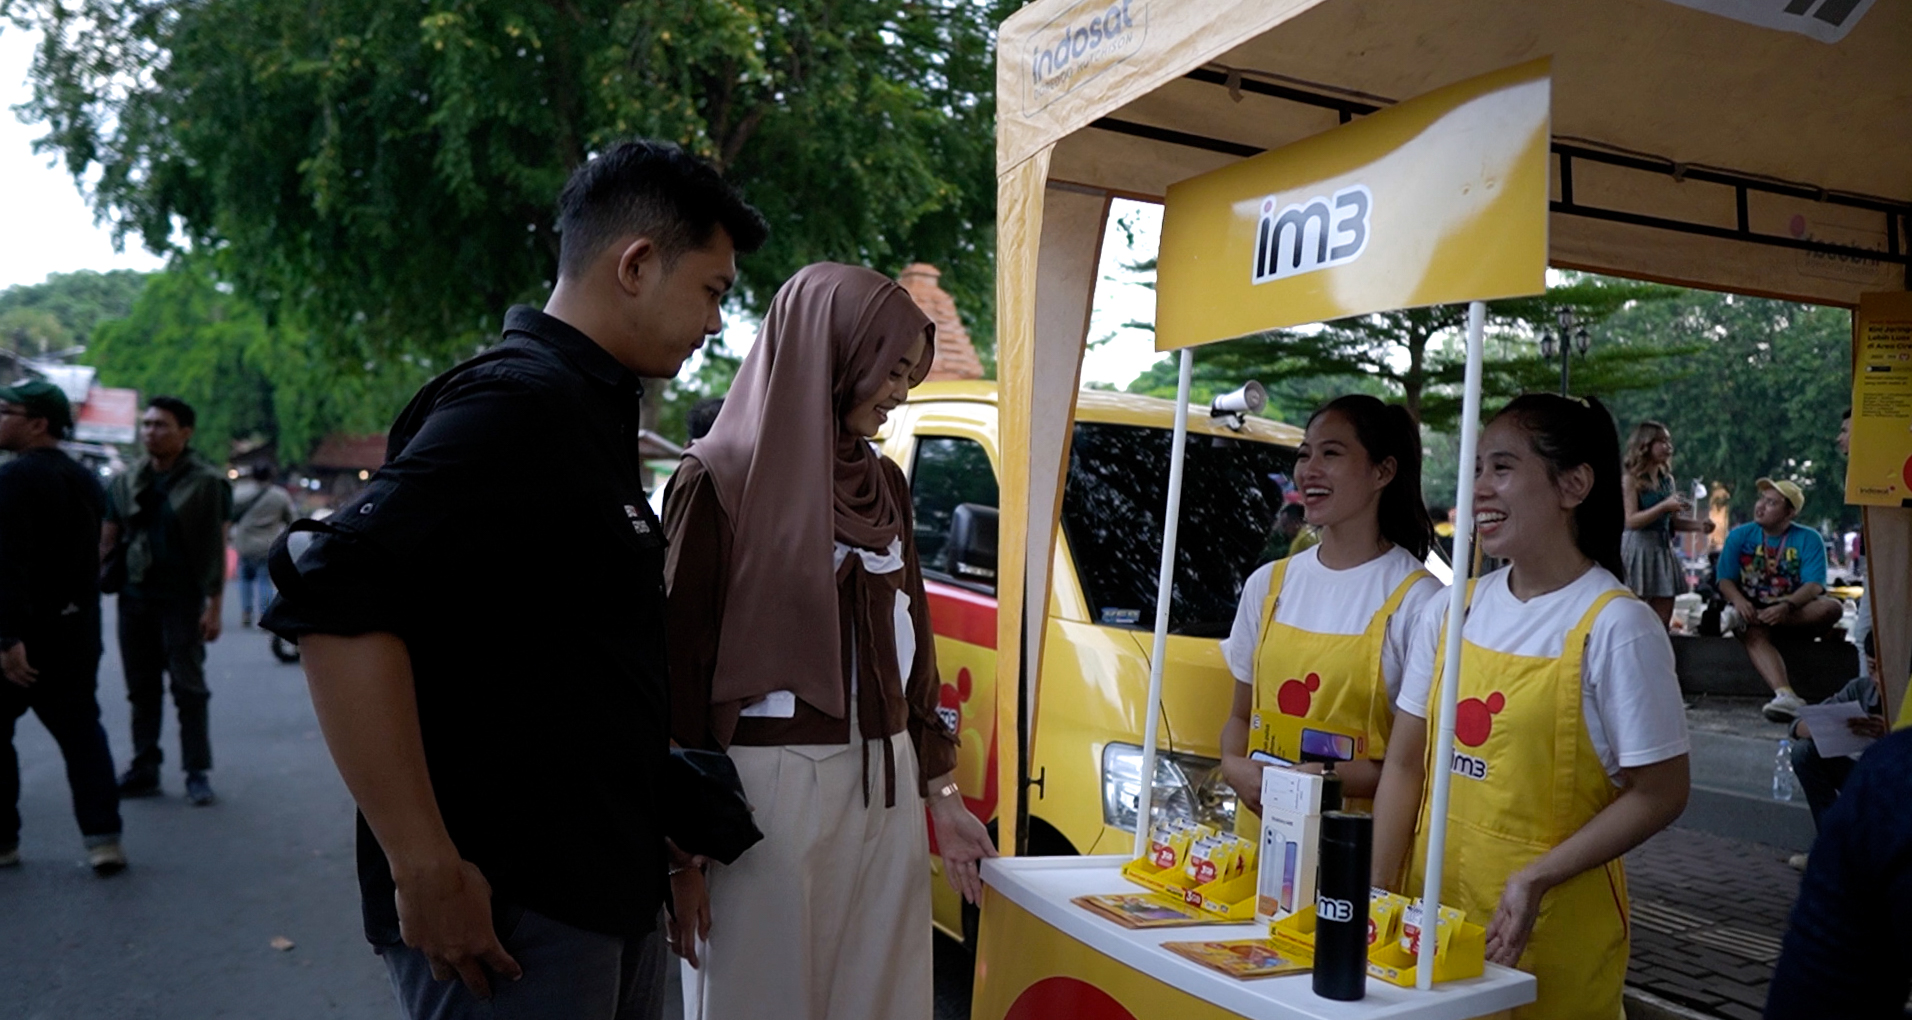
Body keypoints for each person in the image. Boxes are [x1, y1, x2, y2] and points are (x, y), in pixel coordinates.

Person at [262, 139, 769, 1020]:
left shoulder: (588, 409)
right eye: (714, 291)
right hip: (516, 914)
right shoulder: (519, 406)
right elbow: (334, 599)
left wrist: (664, 854)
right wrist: (421, 862)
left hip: (602, 884)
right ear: (638, 263)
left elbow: (578, 671)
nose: (718, 322)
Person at [663, 262, 996, 1020]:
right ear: (834, 352)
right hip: (761, 794)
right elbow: (675, 676)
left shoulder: (884, 483)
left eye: (910, 373)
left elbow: (915, 650)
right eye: (891, 370)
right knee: (758, 1003)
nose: (900, 391)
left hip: (885, 785)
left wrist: (940, 792)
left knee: (882, 1002)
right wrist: (680, 854)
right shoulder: (717, 479)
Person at [1372, 394, 1690, 1020]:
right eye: (1477, 469)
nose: (1481, 490)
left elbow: (1662, 791)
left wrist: (1535, 877)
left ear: (1573, 484)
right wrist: (1377, 903)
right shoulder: (1450, 610)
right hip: (1430, 924)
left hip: (1554, 943)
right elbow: (1407, 766)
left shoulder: (1616, 625)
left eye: (1503, 468)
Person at [1219, 395, 1442, 818]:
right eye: (1305, 454)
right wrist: (1234, 766)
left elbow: (1415, 763)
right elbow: (1238, 718)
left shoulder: (1419, 601)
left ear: (1383, 471)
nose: (1309, 469)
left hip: (1357, 850)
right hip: (1263, 842)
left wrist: (1317, 777)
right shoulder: (1268, 585)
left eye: (1331, 453)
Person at [0, 381, 125, 874]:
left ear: (37, 424)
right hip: (77, 633)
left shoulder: (14, 481)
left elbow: (6, 565)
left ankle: (4, 840)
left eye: (6, 410)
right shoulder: (86, 480)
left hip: (24, 639)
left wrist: (7, 637)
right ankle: (103, 839)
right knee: (82, 733)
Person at [103, 396, 231, 806]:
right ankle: (145, 765)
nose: (151, 432)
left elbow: (216, 545)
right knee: (141, 688)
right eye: (147, 425)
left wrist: (214, 607)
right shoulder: (127, 481)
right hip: (134, 597)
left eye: (161, 425)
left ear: (185, 433)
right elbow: (109, 535)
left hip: (181, 599)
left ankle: (197, 769)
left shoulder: (207, 483)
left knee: (188, 688)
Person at [1765, 727, 1912, 1019]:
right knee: (1806, 752)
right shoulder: (1888, 778)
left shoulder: (1891, 778)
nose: (1872, 676)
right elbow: (1798, 724)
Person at [1715, 477, 1843, 722]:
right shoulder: (1739, 535)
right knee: (1752, 632)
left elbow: (1815, 585)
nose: (1761, 506)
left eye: (1772, 503)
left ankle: (1751, 622)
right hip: (1753, 611)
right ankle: (1785, 695)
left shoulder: (1809, 538)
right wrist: (1740, 602)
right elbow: (1725, 580)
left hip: (1793, 612)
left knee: (1832, 608)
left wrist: (1787, 606)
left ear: (1790, 513)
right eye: (1761, 499)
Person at [1787, 634, 1888, 833]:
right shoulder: (1861, 689)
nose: (1877, 679)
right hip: (1866, 777)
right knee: (1804, 752)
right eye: (1872, 668)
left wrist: (1891, 732)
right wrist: (1831, 725)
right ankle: (1832, 845)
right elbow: (1796, 726)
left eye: (1885, 670)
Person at [1620, 421, 1713, 628]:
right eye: (1661, 441)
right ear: (1645, 445)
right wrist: (1664, 506)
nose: (1667, 447)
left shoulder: (1666, 480)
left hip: (1662, 547)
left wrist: (1699, 526)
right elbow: (1631, 520)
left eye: (1668, 441)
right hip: (1638, 548)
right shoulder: (1631, 480)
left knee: (1663, 612)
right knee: (1632, 613)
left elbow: (1672, 522)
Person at [230, 464, 296, 628]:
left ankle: (246, 613)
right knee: (264, 580)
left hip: (244, 544)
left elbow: (230, 515)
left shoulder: (241, 492)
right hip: (267, 545)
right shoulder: (280, 496)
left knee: (245, 580)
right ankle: (264, 613)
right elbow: (291, 520)